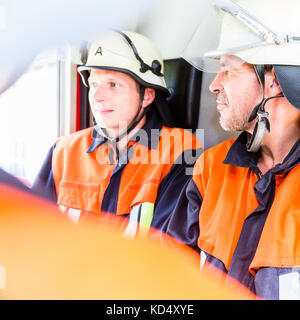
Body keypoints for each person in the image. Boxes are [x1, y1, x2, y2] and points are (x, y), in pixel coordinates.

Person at [165, 0, 300, 299]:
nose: (214, 85)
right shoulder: (210, 169)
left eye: (226, 69)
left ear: (274, 81)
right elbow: (167, 274)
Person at [32, 30, 202, 234]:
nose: (97, 95)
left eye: (113, 85)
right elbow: (33, 232)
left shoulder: (180, 151)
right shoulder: (63, 151)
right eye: (93, 84)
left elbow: (170, 245)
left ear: (147, 95)